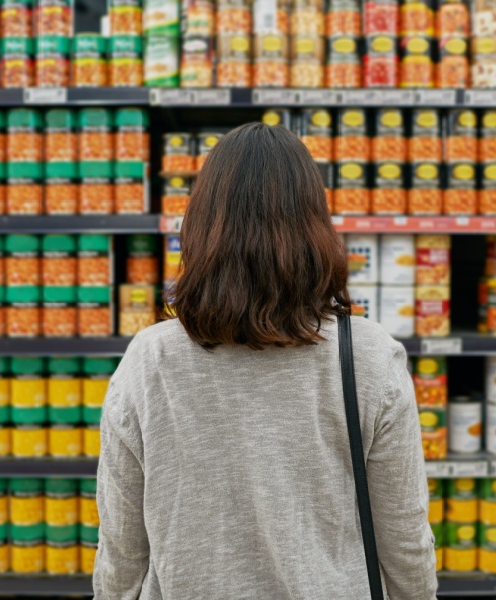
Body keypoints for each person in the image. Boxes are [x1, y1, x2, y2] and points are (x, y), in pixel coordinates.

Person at [94, 122, 437, 600]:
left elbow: (122, 551)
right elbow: (404, 541)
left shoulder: (151, 359)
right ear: (316, 225)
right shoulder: (369, 356)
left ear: (198, 226)